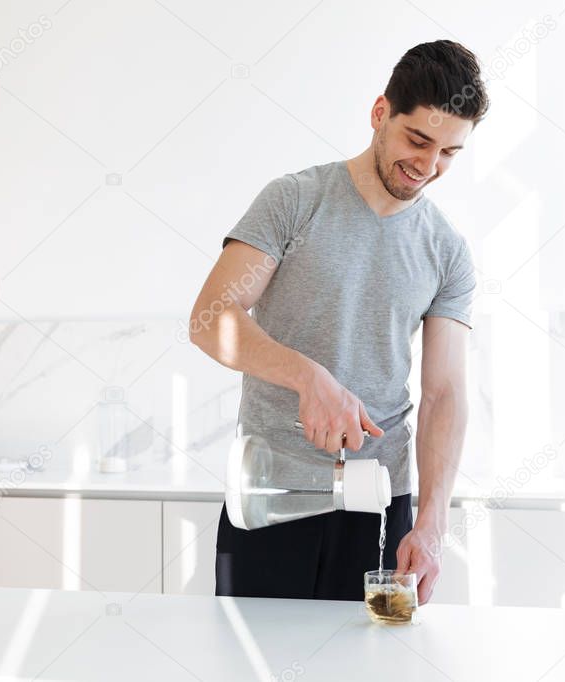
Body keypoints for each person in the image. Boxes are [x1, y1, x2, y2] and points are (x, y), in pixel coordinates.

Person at [189, 39, 488, 605]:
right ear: (380, 114)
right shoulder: (294, 201)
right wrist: (308, 378)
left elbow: (444, 394)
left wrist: (431, 523)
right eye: (418, 140)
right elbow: (210, 319)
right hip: (269, 494)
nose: (427, 166)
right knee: (253, 662)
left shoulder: (447, 251)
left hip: (380, 505)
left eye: (449, 152)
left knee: (373, 661)